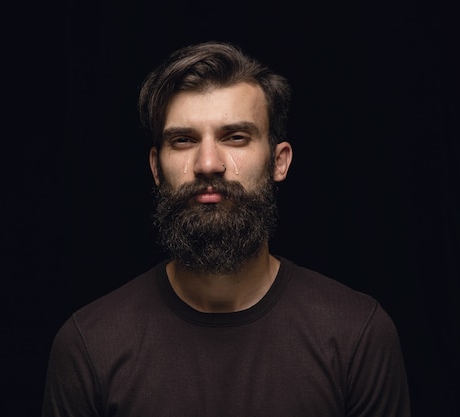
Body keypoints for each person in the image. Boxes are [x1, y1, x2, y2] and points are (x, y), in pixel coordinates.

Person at [41, 40, 411, 416]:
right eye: (183, 140)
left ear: (279, 161)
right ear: (155, 168)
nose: (208, 163)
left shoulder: (356, 335)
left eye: (235, 137)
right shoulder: (91, 343)